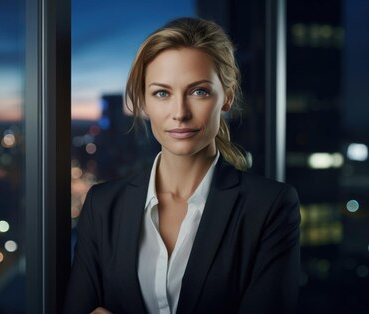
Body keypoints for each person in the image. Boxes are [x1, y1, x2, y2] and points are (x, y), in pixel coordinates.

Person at [63, 17, 301, 314]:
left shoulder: (269, 207)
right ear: (144, 102)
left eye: (198, 91)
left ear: (226, 96)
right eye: (162, 93)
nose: (180, 113)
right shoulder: (103, 205)